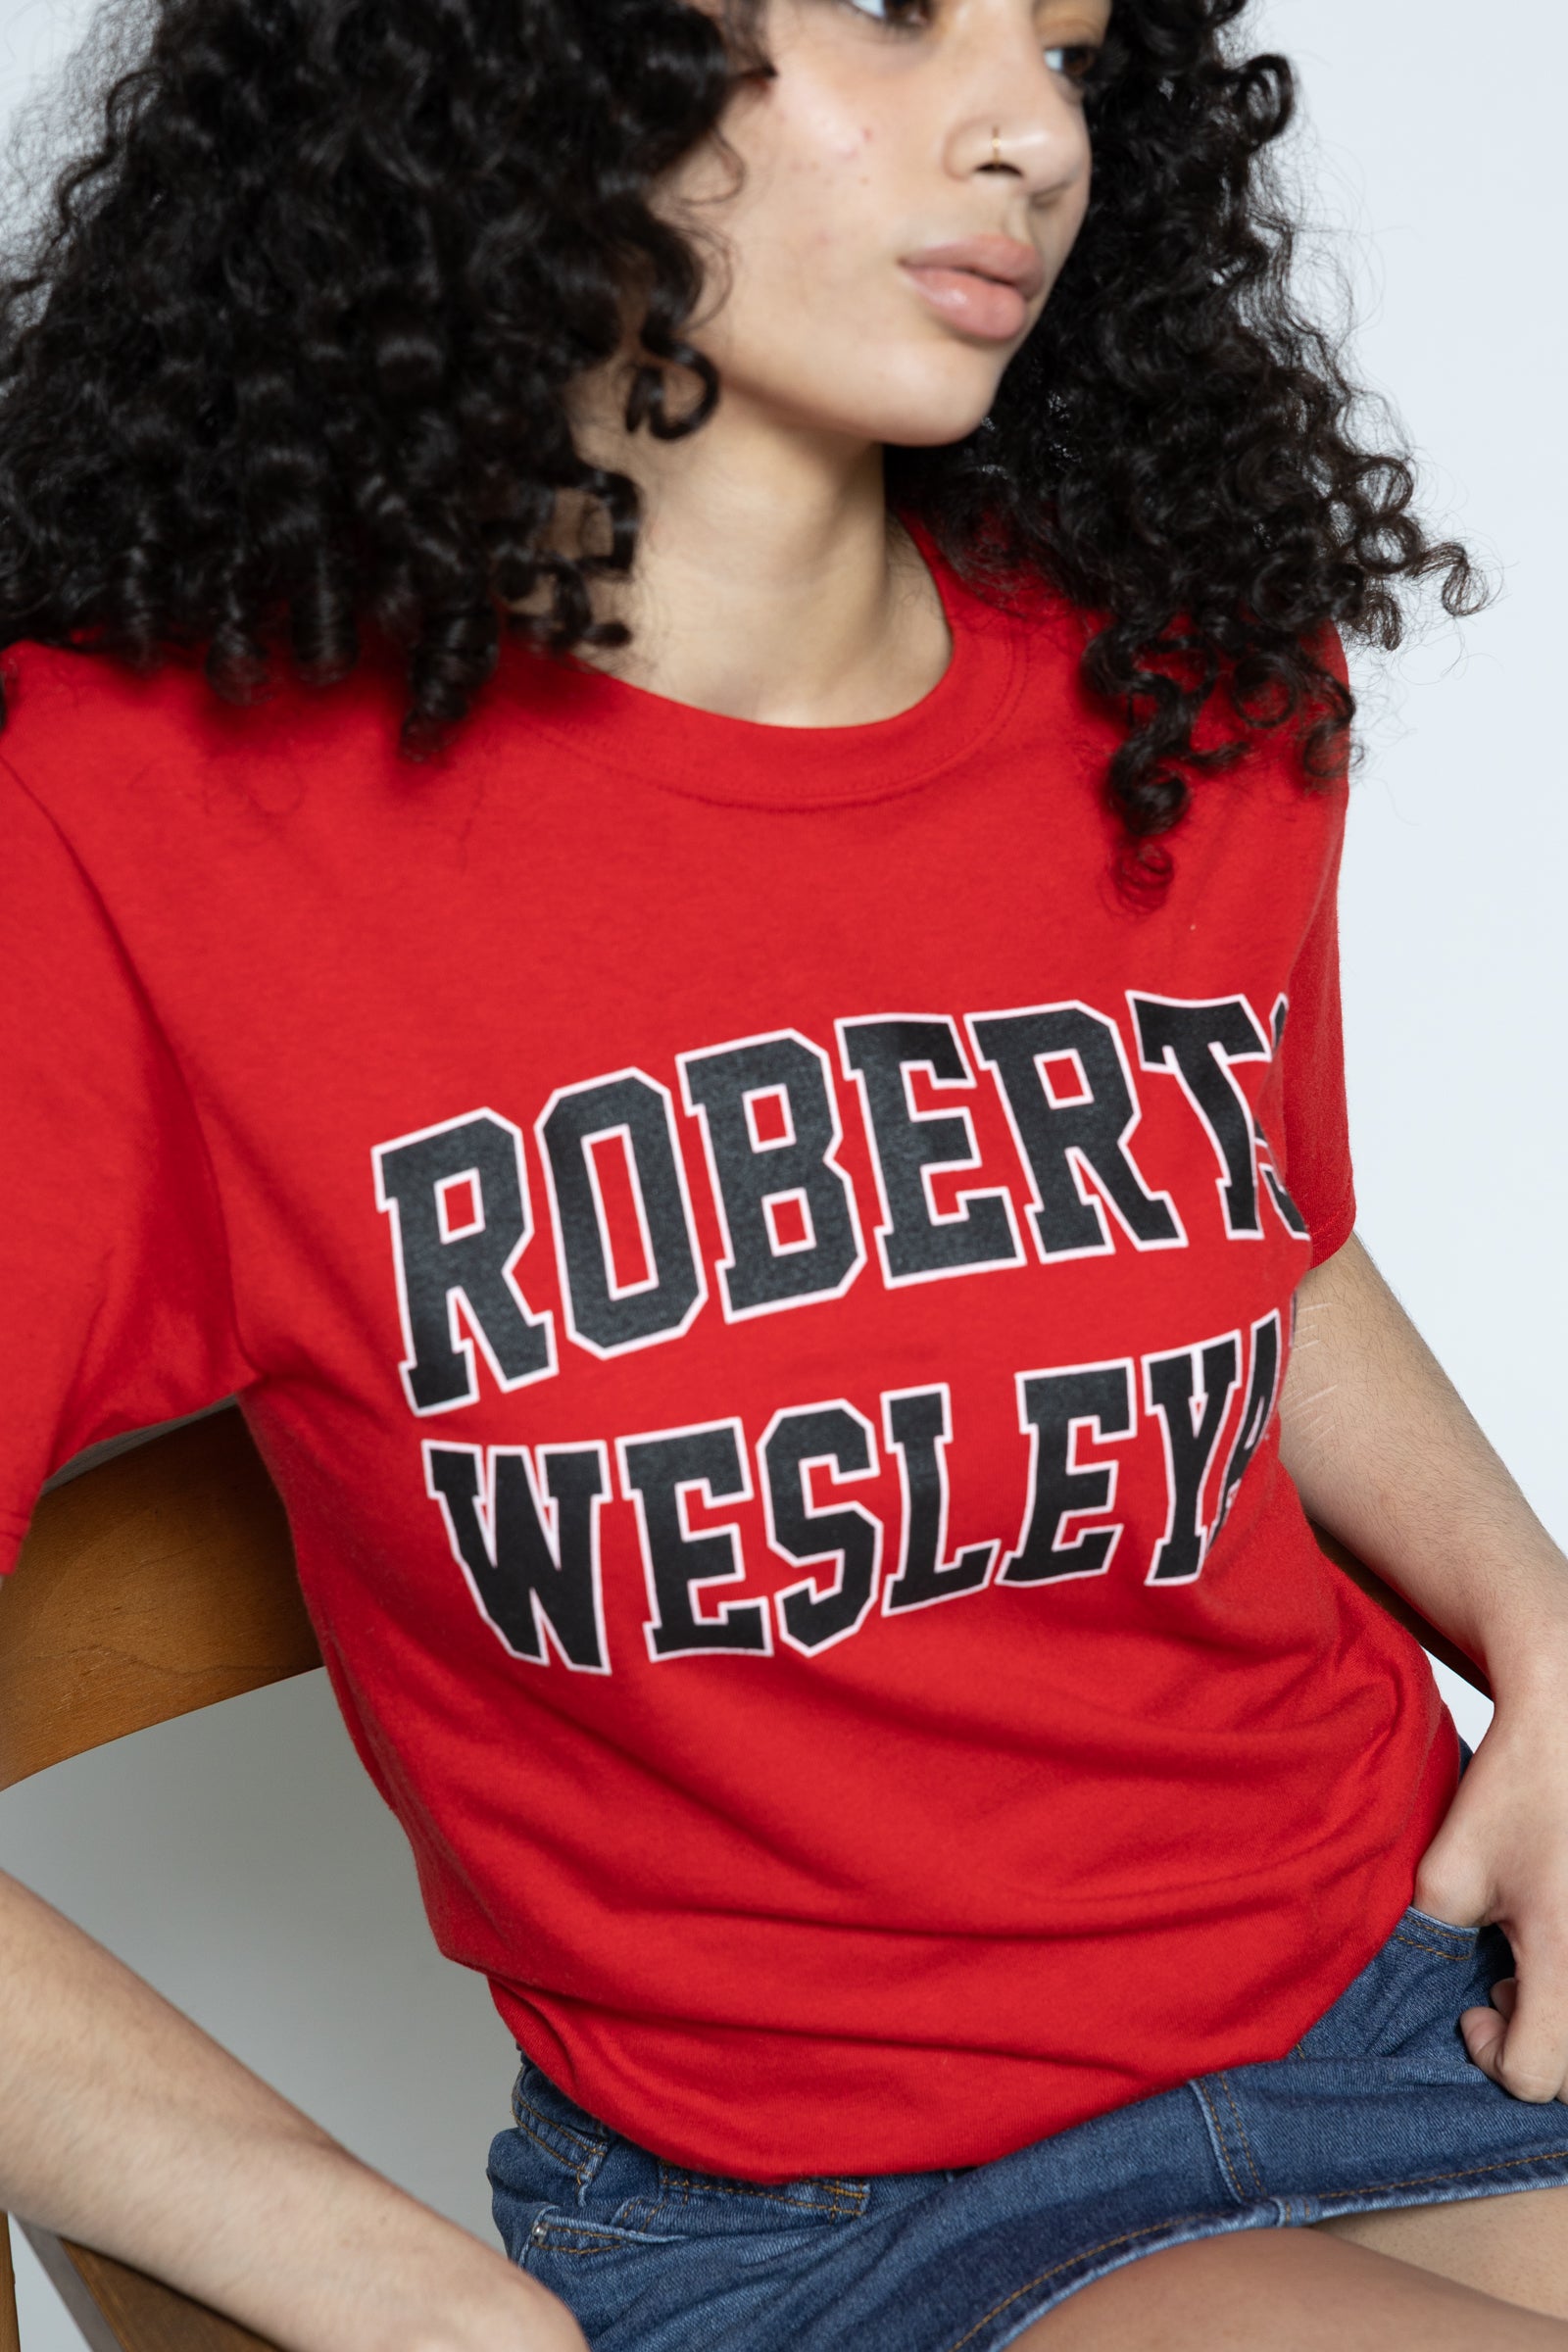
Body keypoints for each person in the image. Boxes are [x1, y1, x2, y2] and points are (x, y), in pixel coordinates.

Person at [2, 0, 1567, 2345]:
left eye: (1068, 44)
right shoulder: (129, 820)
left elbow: (1221, 1221)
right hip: (844, 2225)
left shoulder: (1180, 682)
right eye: (904, 9)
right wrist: (391, 2285)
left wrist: (1542, 1641)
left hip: (1433, 2008)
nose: (1034, 128)